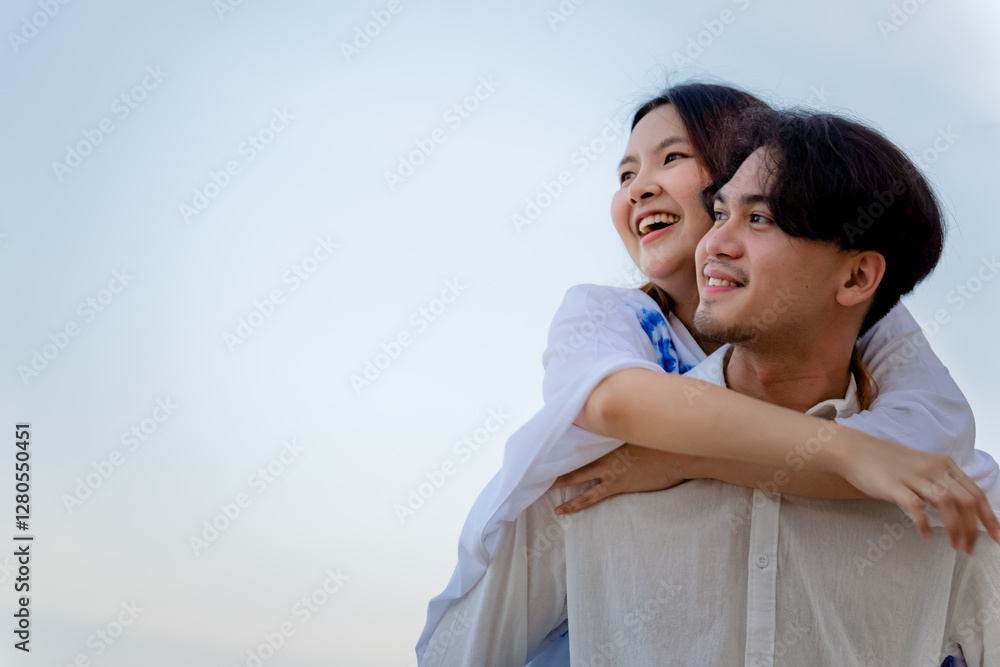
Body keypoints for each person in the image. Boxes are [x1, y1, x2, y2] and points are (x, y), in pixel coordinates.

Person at [415, 84, 1000, 665]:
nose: (717, 239)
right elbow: (612, 400)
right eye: (720, 212)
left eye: (760, 216)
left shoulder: (939, 462)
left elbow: (932, 431)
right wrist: (842, 453)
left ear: (856, 280)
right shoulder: (595, 455)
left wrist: (690, 459)